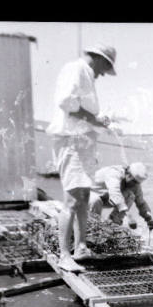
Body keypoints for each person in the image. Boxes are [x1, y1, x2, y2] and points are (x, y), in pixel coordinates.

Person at [46, 44, 117, 270]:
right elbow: (66, 101)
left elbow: (83, 109)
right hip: (71, 141)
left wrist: (98, 119)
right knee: (73, 198)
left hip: (83, 143)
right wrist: (95, 119)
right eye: (105, 67)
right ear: (98, 58)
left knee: (85, 196)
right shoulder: (75, 69)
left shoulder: (87, 74)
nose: (103, 74)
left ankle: (81, 247)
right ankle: (64, 255)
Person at [90, 162, 153, 232]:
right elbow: (115, 193)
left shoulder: (134, 183)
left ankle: (113, 224)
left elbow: (141, 202)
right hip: (89, 195)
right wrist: (130, 217)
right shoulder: (114, 173)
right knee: (95, 200)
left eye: (137, 183)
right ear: (128, 175)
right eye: (134, 182)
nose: (135, 185)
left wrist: (149, 219)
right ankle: (93, 225)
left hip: (105, 197)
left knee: (130, 196)